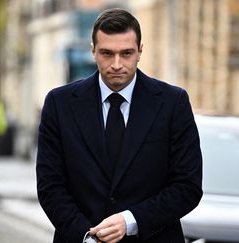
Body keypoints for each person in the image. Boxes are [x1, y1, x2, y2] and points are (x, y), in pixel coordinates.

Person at [36, 8, 203, 243]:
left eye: (126, 53)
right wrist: (87, 236)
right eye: (107, 53)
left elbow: (188, 186)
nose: (116, 64)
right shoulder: (59, 104)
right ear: (93, 51)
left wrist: (130, 220)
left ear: (140, 52)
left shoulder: (173, 103)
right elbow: (50, 186)